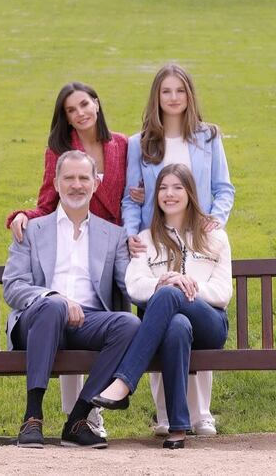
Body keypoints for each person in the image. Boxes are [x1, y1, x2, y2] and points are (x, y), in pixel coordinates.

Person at [5, 81, 131, 436]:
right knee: (52, 307)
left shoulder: (112, 235)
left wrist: (160, 283)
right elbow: (13, 287)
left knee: (128, 325)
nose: (76, 185)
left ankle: (79, 417)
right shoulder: (32, 230)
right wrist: (53, 298)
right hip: (41, 321)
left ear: (95, 184)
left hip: (90, 322)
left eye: (83, 179)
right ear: (56, 184)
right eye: (68, 179)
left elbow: (128, 283)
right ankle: (33, 417)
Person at [121, 63, 234, 437]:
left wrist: (213, 220)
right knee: (172, 319)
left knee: (181, 302)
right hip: (157, 243)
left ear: (189, 96)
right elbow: (132, 197)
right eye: (165, 91)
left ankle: (197, 412)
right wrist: (133, 236)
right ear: (156, 97)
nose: (173, 98)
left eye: (179, 91)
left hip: (198, 241)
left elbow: (223, 188)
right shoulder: (140, 144)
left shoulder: (208, 137)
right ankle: (169, 416)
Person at [93, 164, 232, 449]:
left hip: (210, 323)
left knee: (171, 292)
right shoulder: (146, 239)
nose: (170, 194)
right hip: (169, 326)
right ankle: (177, 428)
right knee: (176, 326)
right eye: (163, 188)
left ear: (190, 192)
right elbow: (133, 285)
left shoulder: (214, 236)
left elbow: (222, 293)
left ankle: (124, 382)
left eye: (177, 187)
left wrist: (186, 284)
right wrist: (160, 285)